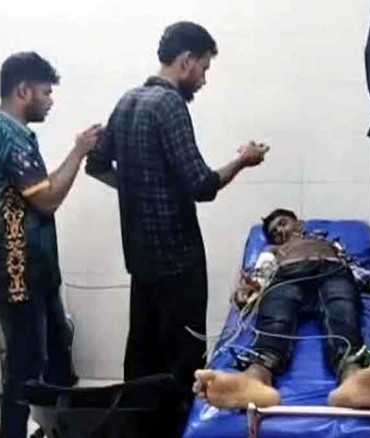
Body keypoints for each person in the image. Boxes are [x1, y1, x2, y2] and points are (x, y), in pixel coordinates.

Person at [85, 21, 269, 426]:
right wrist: (243, 160)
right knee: (182, 365)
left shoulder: (127, 101)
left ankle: (137, 430)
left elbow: (95, 165)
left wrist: (136, 187)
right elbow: (201, 185)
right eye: (203, 68)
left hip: (141, 261)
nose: (203, 79)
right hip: (178, 262)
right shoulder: (169, 106)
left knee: (142, 357)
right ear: (185, 60)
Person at [0, 51, 103, 438]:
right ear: (23, 90)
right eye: (45, 92)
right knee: (26, 369)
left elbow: (37, 193)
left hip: (36, 269)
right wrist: (79, 151)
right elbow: (46, 198)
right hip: (16, 274)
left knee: (59, 352)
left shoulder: (16, 135)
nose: (50, 100)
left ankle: (58, 428)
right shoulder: (4, 135)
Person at [193, 208, 370, 410]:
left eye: (283, 223)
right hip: (288, 276)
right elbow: (260, 274)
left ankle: (353, 378)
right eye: (274, 232)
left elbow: (353, 268)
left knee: (342, 314)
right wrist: (246, 293)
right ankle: (254, 379)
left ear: (300, 223)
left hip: (332, 271)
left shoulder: (327, 242)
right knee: (275, 320)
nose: (280, 231)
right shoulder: (271, 251)